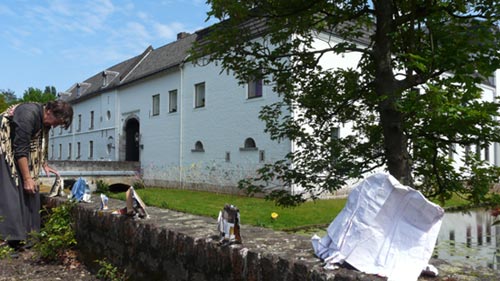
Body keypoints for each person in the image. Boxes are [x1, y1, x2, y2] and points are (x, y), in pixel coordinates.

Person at [0, 100, 73, 252]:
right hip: (4, 145)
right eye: (56, 122)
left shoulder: (44, 120)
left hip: (17, 147)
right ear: (49, 112)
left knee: (32, 189)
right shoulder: (28, 114)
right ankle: (8, 238)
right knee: (11, 189)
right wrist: (27, 179)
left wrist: (43, 163)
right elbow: (20, 148)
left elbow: (41, 141)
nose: (54, 126)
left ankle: (28, 236)